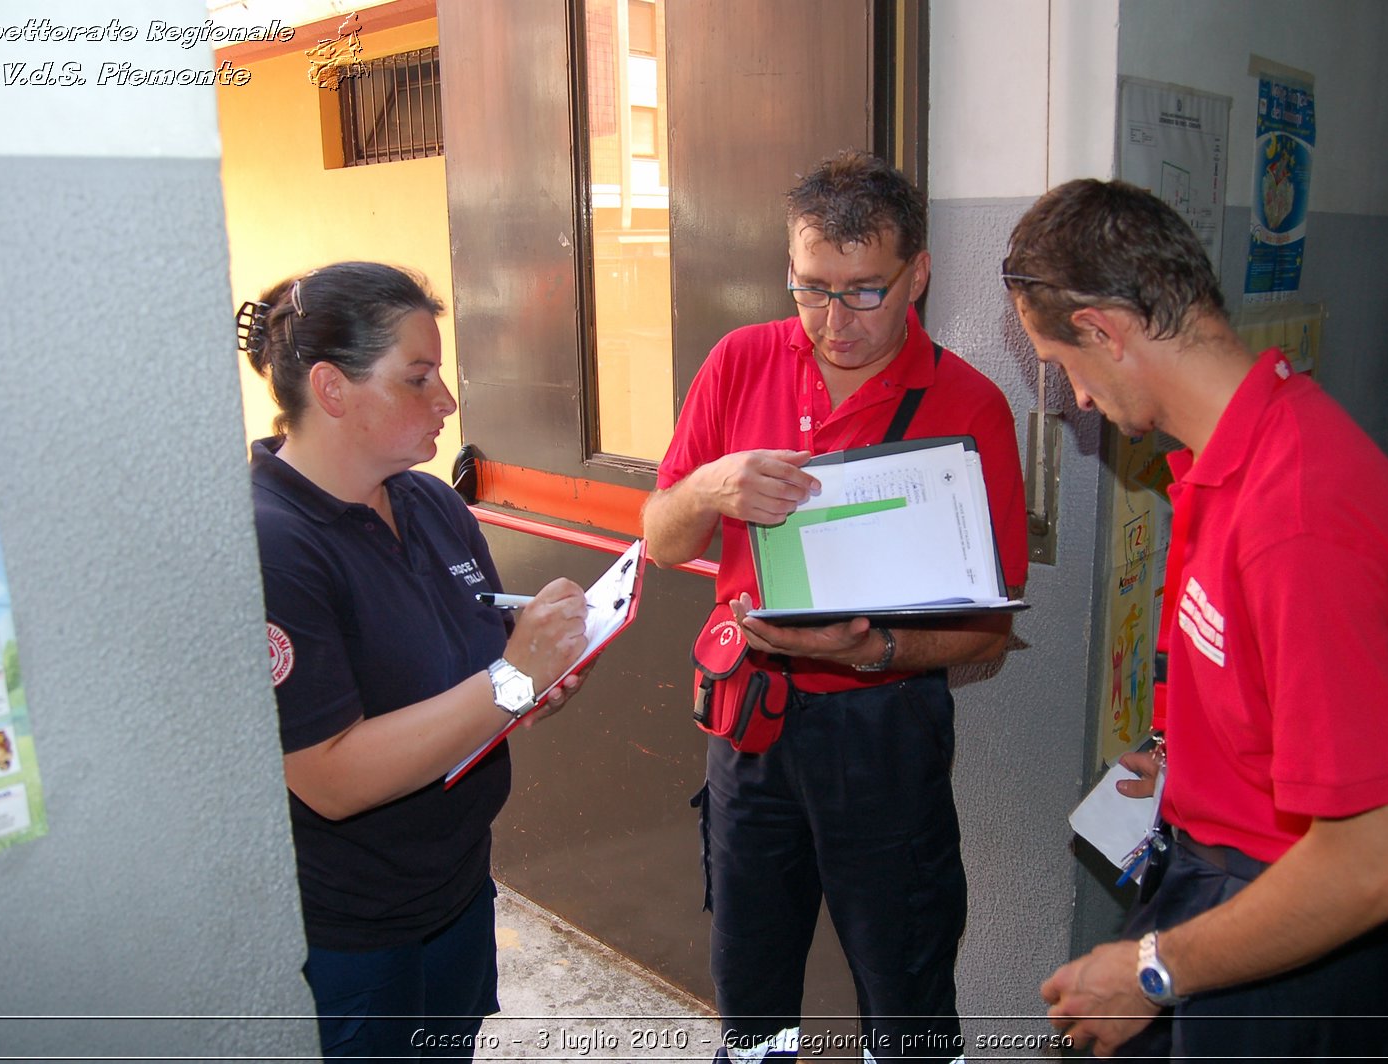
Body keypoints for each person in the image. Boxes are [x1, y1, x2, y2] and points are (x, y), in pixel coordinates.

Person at [1004, 180, 1388, 1059]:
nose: (1079, 401)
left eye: (1067, 368)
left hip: (1295, 920)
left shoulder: (1298, 515)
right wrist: (1176, 751)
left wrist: (1151, 971)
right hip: (1215, 873)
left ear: (1106, 333)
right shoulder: (1233, 453)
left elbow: (1373, 864)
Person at [644, 150, 1029, 1062]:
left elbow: (991, 626)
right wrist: (712, 486)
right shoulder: (740, 362)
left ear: (918, 275)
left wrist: (875, 651)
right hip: (751, 728)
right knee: (752, 993)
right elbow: (662, 540)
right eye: (811, 290)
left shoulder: (968, 404)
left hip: (885, 733)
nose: (834, 321)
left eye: (864, 292)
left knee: (905, 993)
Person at [241, 262, 591, 1061]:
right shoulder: (270, 543)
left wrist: (536, 678)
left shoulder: (428, 500)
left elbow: (475, 679)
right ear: (332, 388)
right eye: (418, 377)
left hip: (456, 892)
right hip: (349, 932)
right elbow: (330, 778)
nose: (447, 400)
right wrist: (511, 681)